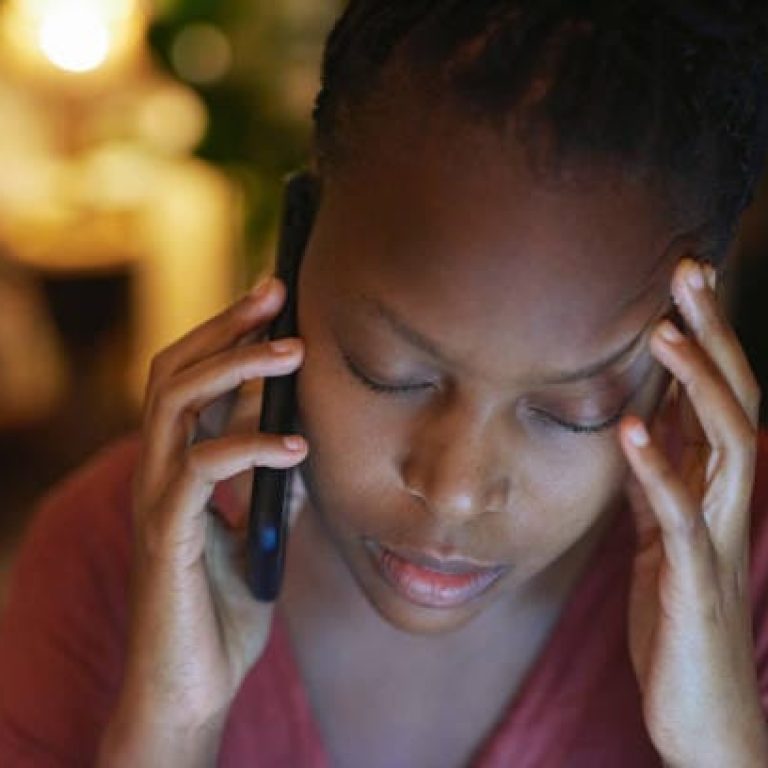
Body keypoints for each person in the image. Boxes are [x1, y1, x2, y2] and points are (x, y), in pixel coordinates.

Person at [2, 1, 768, 766]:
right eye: (389, 372)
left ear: (694, 351)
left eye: (573, 411)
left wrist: (720, 747)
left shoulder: (756, 578)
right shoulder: (107, 556)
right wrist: (171, 723)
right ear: (293, 254)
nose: (454, 489)